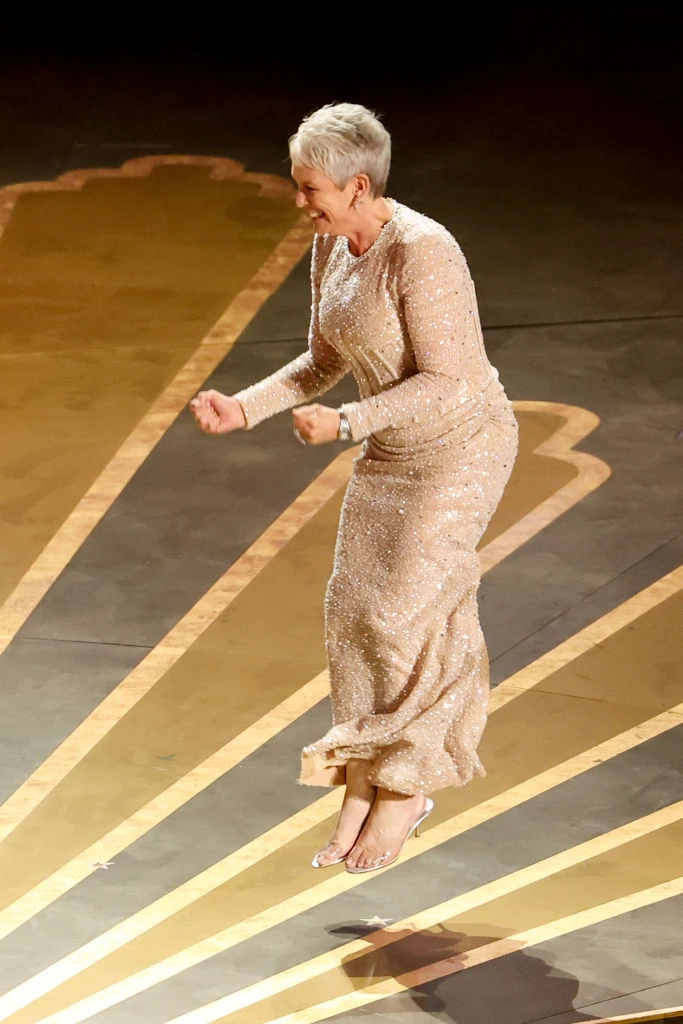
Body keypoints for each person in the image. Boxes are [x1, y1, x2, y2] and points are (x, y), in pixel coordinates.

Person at [190, 102, 518, 874]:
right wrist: (245, 408)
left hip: (458, 450)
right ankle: (365, 778)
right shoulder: (331, 246)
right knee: (352, 611)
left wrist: (346, 423)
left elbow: (447, 380)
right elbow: (320, 362)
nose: (299, 200)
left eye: (310, 188)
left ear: (357, 186)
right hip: (388, 449)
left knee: (406, 610)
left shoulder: (424, 252)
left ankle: (408, 786)